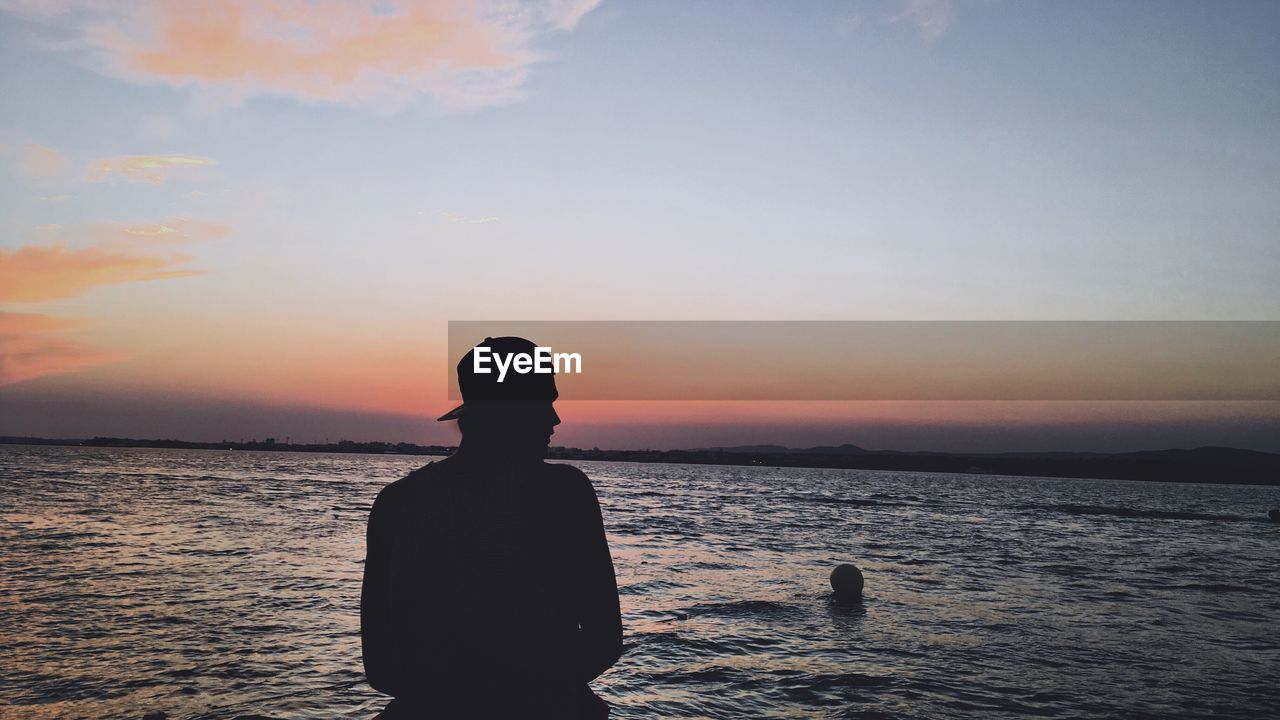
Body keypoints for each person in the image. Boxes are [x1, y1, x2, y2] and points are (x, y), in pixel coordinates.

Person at [361, 336, 623, 719]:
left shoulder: (395, 503)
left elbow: (381, 668)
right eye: (544, 404)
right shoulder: (564, 493)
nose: (555, 420)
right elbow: (604, 642)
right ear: (511, 413)